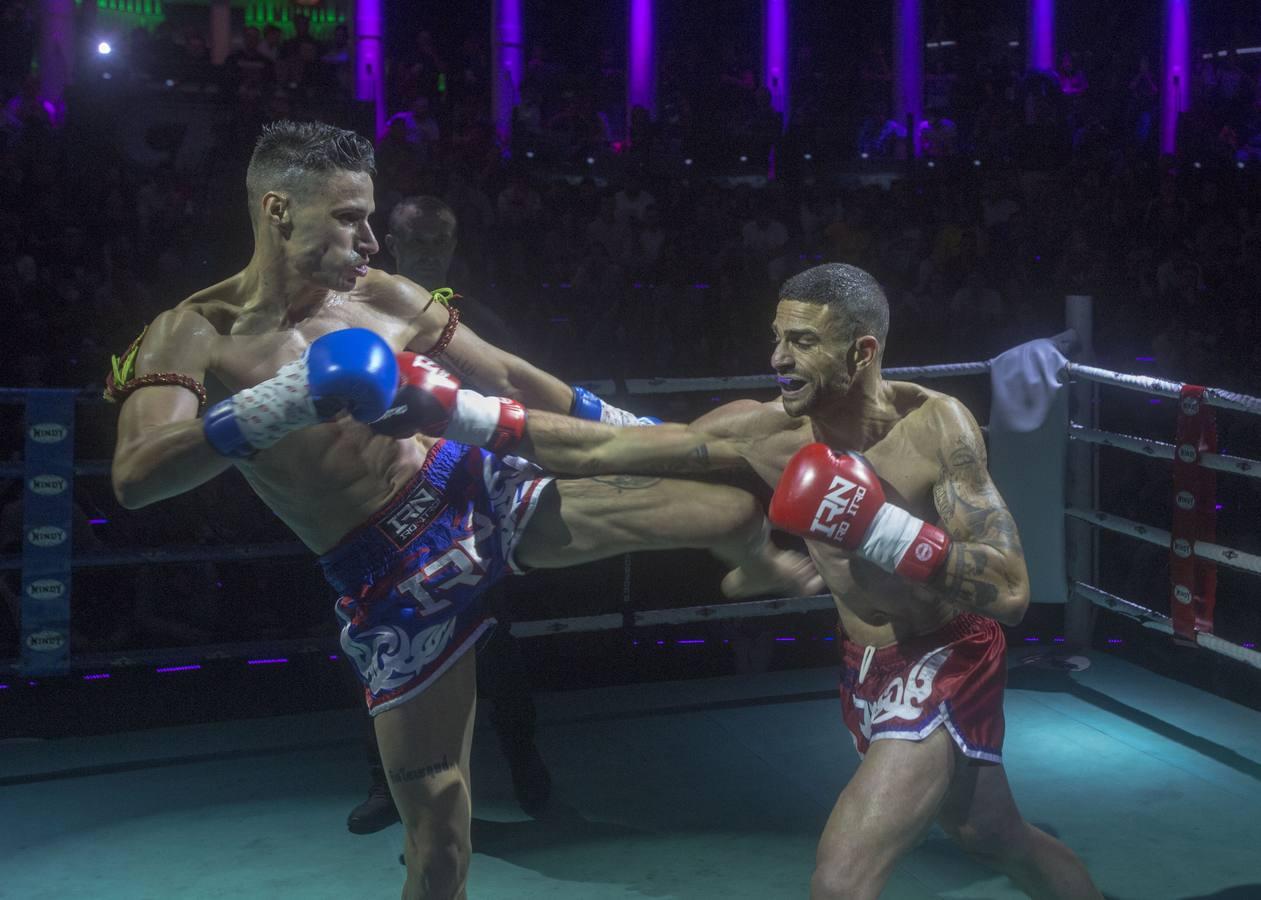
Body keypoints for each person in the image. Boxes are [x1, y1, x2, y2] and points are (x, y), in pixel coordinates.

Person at [107, 120, 818, 900]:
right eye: (348, 217)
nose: (370, 239)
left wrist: (630, 432)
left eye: (368, 216)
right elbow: (137, 479)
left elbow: (511, 377)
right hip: (391, 574)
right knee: (441, 839)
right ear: (279, 211)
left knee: (720, 507)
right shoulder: (194, 333)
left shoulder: (380, 296)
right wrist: (280, 403)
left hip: (479, 487)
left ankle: (757, 562)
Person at [408, 263, 1103, 899]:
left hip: (944, 658)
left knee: (840, 882)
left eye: (801, 342)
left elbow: (1010, 590)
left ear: (861, 351)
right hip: (864, 664)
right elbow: (606, 445)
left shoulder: (933, 427)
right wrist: (459, 415)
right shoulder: (762, 433)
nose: (777, 360)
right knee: (991, 834)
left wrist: (880, 529)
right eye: (776, 340)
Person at [344, 194, 549, 836]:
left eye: (439, 244)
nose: (429, 255)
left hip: (465, 503)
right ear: (395, 246)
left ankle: (526, 764)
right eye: (418, 244)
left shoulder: (475, 323)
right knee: (384, 645)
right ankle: (386, 785)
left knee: (494, 642)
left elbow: (514, 397)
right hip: (384, 507)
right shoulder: (356, 319)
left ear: (453, 247)